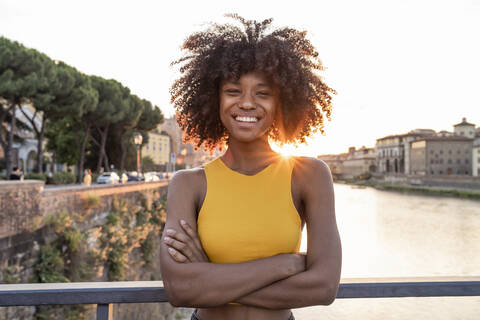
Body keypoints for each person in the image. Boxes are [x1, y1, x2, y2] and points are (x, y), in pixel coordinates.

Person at [160, 14, 342, 320]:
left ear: (281, 103)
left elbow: (323, 287)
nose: (246, 103)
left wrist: (209, 277)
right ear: (213, 99)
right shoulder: (188, 184)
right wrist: (283, 266)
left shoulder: (309, 176)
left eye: (263, 93)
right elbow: (180, 290)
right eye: (233, 91)